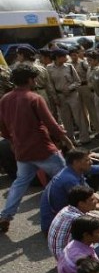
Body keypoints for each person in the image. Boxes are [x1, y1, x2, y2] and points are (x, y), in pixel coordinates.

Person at [0, 65, 74, 232]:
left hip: (21, 151)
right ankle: (78, 210)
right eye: (34, 79)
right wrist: (68, 142)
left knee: (19, 184)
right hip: (42, 149)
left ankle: (5, 216)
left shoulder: (4, 99)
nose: (35, 81)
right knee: (67, 178)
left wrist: (13, 143)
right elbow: (51, 125)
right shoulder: (34, 98)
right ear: (29, 80)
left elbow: (3, 128)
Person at [39, 148, 99, 233]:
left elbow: (92, 190)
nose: (91, 162)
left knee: (96, 201)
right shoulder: (70, 180)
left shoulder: (72, 170)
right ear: (76, 162)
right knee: (97, 220)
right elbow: (85, 205)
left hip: (62, 215)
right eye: (87, 160)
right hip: (54, 226)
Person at [48, 185, 99, 261]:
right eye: (91, 200)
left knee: (97, 219)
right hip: (69, 259)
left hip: (63, 251)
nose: (95, 201)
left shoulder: (68, 209)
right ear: (81, 203)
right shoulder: (78, 219)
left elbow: (95, 218)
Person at [47, 48, 91, 145]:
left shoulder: (69, 67)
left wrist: (70, 88)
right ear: (57, 58)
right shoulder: (49, 68)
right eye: (63, 57)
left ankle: (85, 138)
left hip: (72, 95)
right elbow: (50, 84)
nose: (66, 58)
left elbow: (78, 81)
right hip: (60, 96)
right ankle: (71, 140)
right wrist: (55, 97)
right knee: (65, 119)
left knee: (79, 116)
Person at [69, 46, 99, 137]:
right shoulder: (70, 65)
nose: (73, 57)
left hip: (85, 87)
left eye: (75, 55)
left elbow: (91, 72)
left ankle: (98, 129)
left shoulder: (83, 63)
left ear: (78, 55)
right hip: (76, 89)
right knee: (81, 111)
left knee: (91, 109)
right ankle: (87, 129)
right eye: (71, 55)